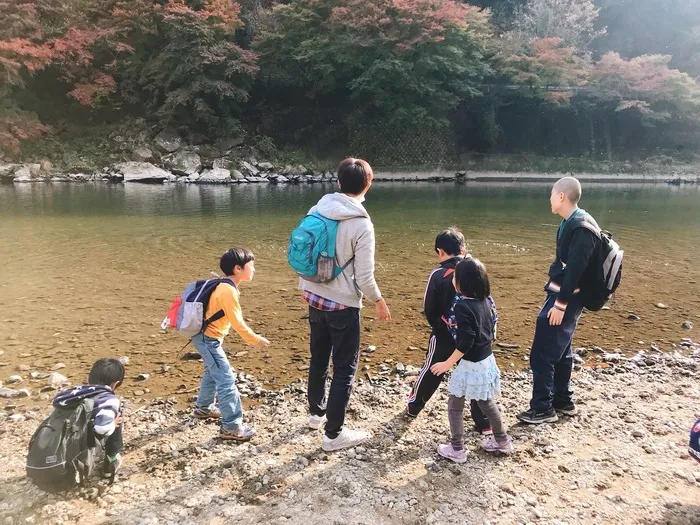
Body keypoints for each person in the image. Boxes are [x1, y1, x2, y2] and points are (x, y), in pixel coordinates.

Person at [299, 157, 391, 452]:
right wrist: (378, 300)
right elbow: (364, 277)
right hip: (342, 306)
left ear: (338, 182)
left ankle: (316, 414)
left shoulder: (317, 208)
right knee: (344, 369)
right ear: (368, 184)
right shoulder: (362, 224)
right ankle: (333, 434)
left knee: (318, 356)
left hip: (312, 295)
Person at [517, 177, 601, 424]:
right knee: (562, 350)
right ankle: (563, 401)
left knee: (541, 353)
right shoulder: (571, 222)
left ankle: (542, 408)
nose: (550, 199)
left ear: (562, 196)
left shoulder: (582, 228)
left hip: (567, 299)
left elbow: (575, 270)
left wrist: (560, 305)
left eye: (552, 195)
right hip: (563, 294)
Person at [407, 228, 491, 435]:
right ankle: (484, 422)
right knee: (475, 374)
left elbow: (429, 307)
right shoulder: (475, 269)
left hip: (444, 333)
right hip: (472, 335)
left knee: (433, 369)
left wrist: (437, 325)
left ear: (440, 251)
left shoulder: (438, 274)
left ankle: (415, 406)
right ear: (464, 248)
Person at [430, 258, 513, 463]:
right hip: (487, 361)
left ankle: (457, 448)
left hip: (470, 366)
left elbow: (466, 342)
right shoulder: (487, 301)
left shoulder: (462, 307)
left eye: (455, 277)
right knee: (486, 402)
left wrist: (447, 364)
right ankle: (502, 440)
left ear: (460, 284)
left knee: (455, 405)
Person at [191, 248, 270, 441]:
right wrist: (255, 339)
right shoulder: (228, 291)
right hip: (207, 340)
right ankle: (231, 427)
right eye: (251, 266)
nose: (254, 269)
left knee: (212, 371)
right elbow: (238, 323)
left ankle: (203, 408)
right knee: (227, 381)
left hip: (206, 337)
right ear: (237, 269)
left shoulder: (226, 285)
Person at [53, 358, 125, 478]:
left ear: (88, 379)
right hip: (77, 448)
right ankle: (110, 462)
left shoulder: (71, 393)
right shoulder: (108, 399)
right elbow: (102, 428)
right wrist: (113, 423)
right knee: (116, 416)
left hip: (56, 448)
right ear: (115, 384)